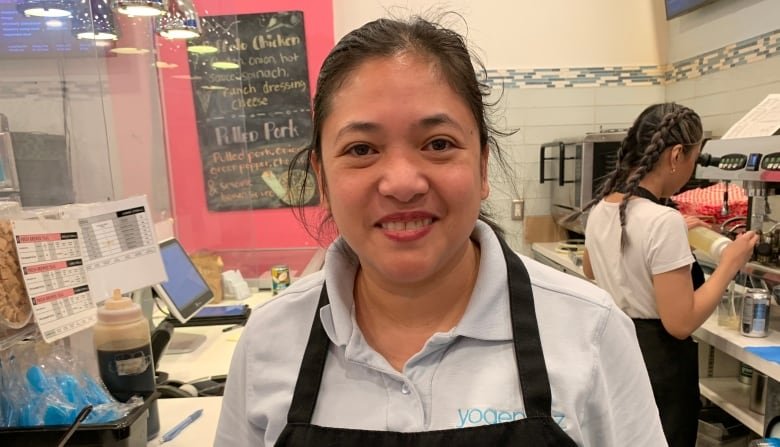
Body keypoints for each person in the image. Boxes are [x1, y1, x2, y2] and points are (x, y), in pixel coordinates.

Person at [215, 16, 666, 447]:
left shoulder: (590, 330)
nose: (402, 183)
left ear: (483, 166)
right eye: (361, 149)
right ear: (323, 179)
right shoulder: (268, 342)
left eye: (438, 144)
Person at [580, 102, 759, 447]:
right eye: (693, 158)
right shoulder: (663, 221)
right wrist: (730, 263)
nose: (691, 170)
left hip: (617, 353)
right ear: (676, 155)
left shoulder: (605, 207)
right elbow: (679, 322)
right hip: (657, 366)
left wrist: (673, 235)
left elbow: (592, 267)